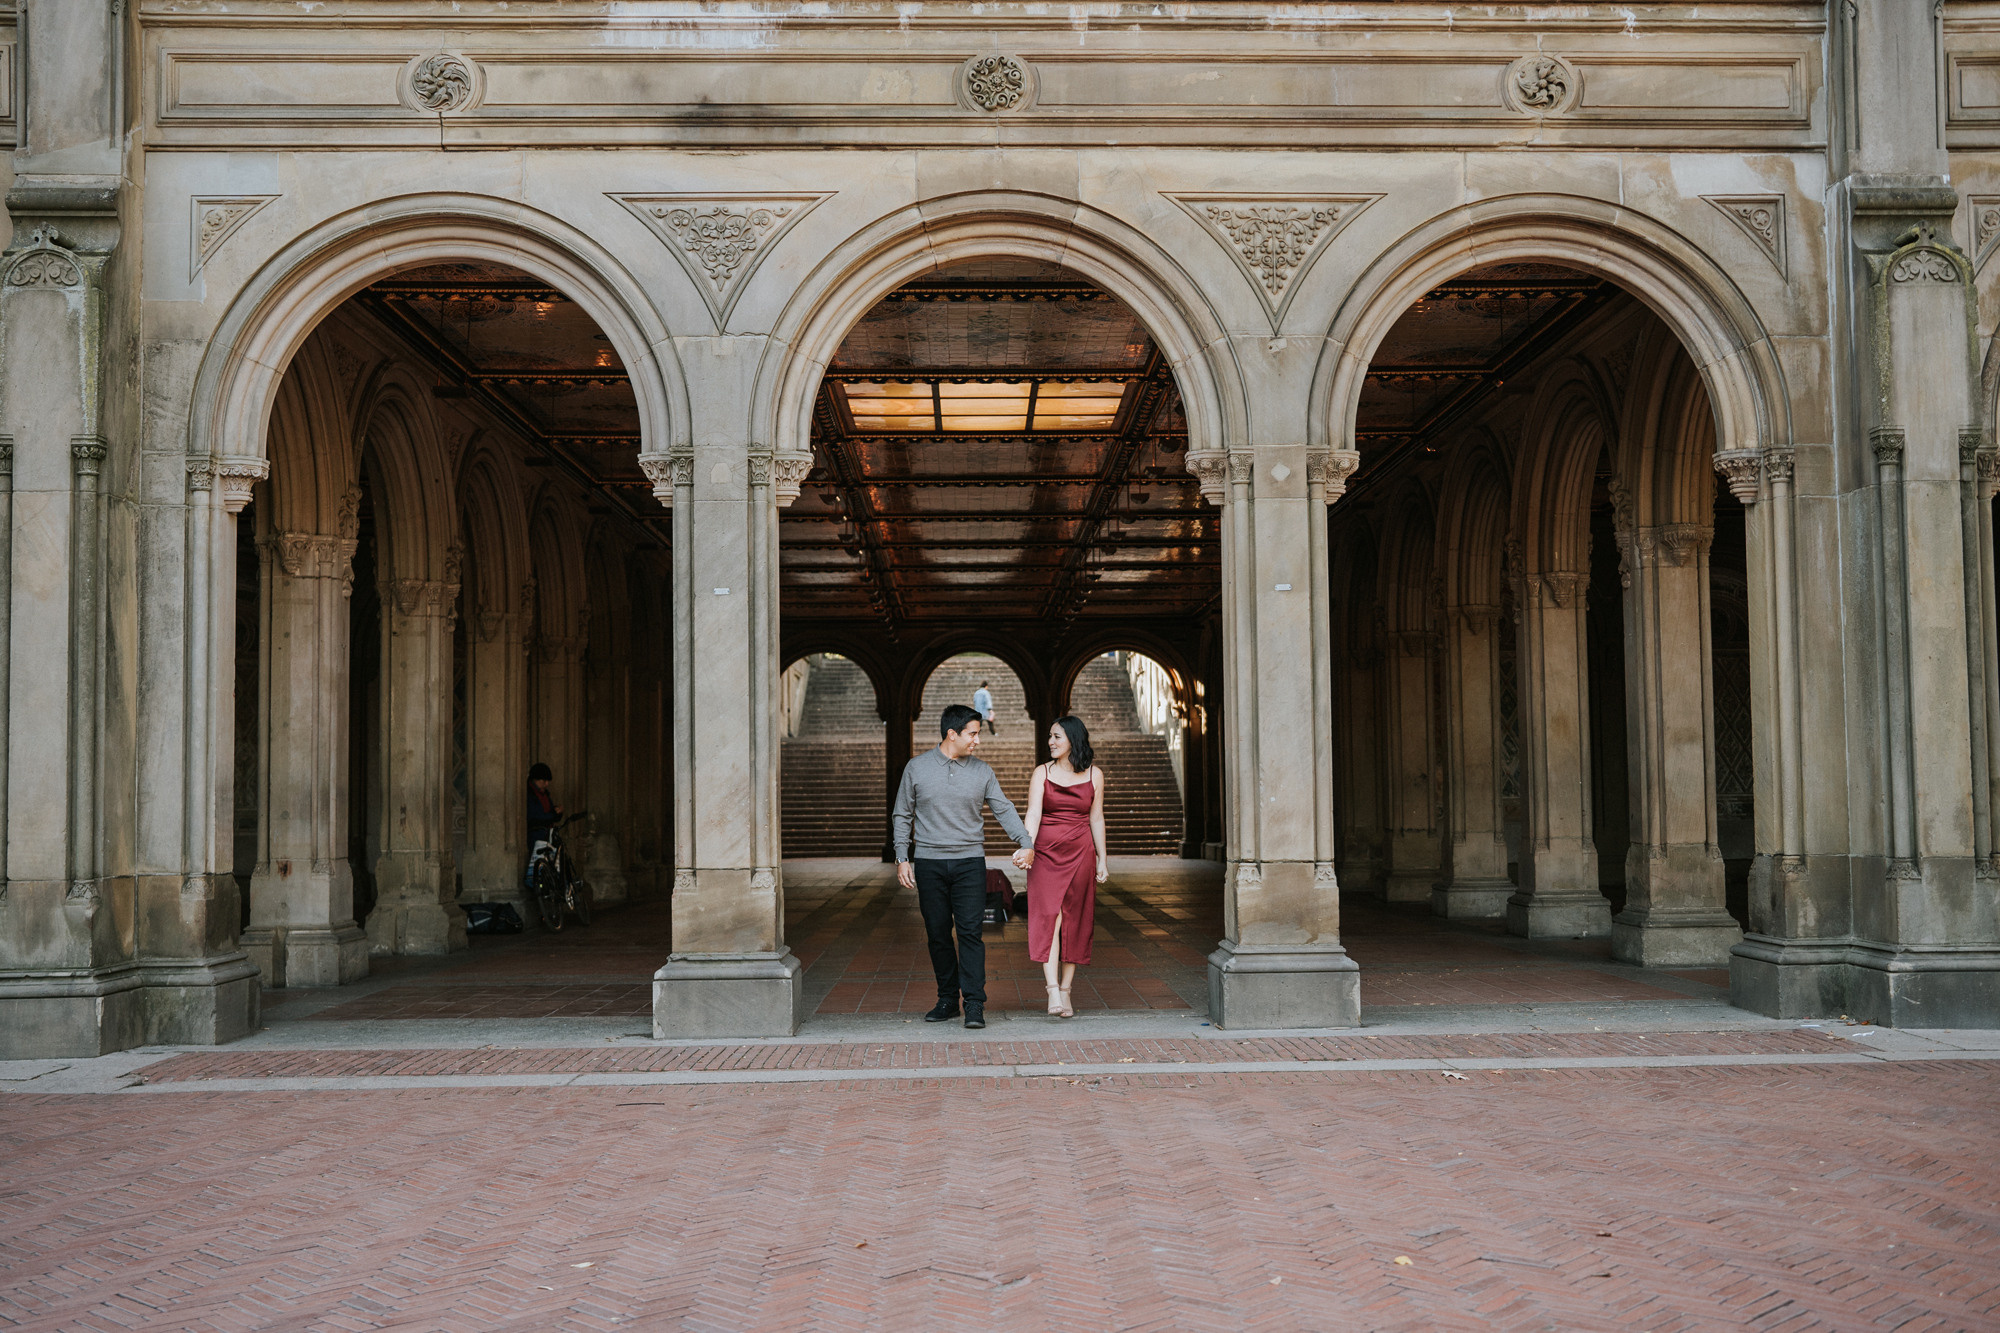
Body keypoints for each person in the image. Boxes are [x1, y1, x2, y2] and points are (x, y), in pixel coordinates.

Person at [893, 703, 1035, 1030]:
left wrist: (1025, 841)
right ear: (952, 734)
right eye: (972, 734)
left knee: (971, 933)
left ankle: (973, 1003)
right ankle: (947, 1000)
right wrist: (902, 857)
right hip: (929, 863)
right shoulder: (917, 768)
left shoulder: (982, 771)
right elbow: (902, 814)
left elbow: (1003, 808)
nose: (977, 741)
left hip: (970, 863)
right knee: (938, 933)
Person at [1013, 716, 1107, 1019]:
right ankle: (1052, 988)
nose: (1050, 742)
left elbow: (1096, 818)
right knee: (1048, 917)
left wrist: (1103, 859)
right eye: (1050, 736)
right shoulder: (1041, 772)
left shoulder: (1094, 774)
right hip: (1045, 854)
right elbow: (1033, 813)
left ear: (1073, 740)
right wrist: (1027, 846)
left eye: (1057, 737)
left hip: (1081, 853)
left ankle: (1066, 990)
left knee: (1074, 920)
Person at [525, 762, 561, 886]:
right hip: (536, 835)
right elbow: (535, 816)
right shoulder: (530, 794)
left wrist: (556, 812)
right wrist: (553, 814)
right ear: (535, 779)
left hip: (546, 834)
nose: (547, 784)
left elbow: (548, 811)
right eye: (544, 781)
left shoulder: (544, 794)